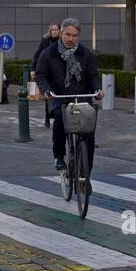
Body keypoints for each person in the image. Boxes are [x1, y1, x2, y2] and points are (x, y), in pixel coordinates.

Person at [34, 18, 104, 178]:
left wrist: (97, 89)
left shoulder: (85, 54)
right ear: (60, 34)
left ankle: (84, 176)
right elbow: (40, 75)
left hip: (81, 97)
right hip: (59, 97)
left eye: (74, 35)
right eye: (67, 34)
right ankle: (59, 156)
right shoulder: (49, 53)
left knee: (88, 136)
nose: (71, 39)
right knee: (60, 117)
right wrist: (46, 90)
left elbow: (92, 76)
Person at [31, 22, 61, 128]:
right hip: (48, 72)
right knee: (48, 95)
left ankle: (59, 116)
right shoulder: (45, 41)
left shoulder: (62, 41)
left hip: (59, 72)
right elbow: (37, 55)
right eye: (52, 30)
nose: (54, 31)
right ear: (50, 31)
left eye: (56, 29)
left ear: (60, 30)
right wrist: (33, 69)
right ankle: (47, 117)